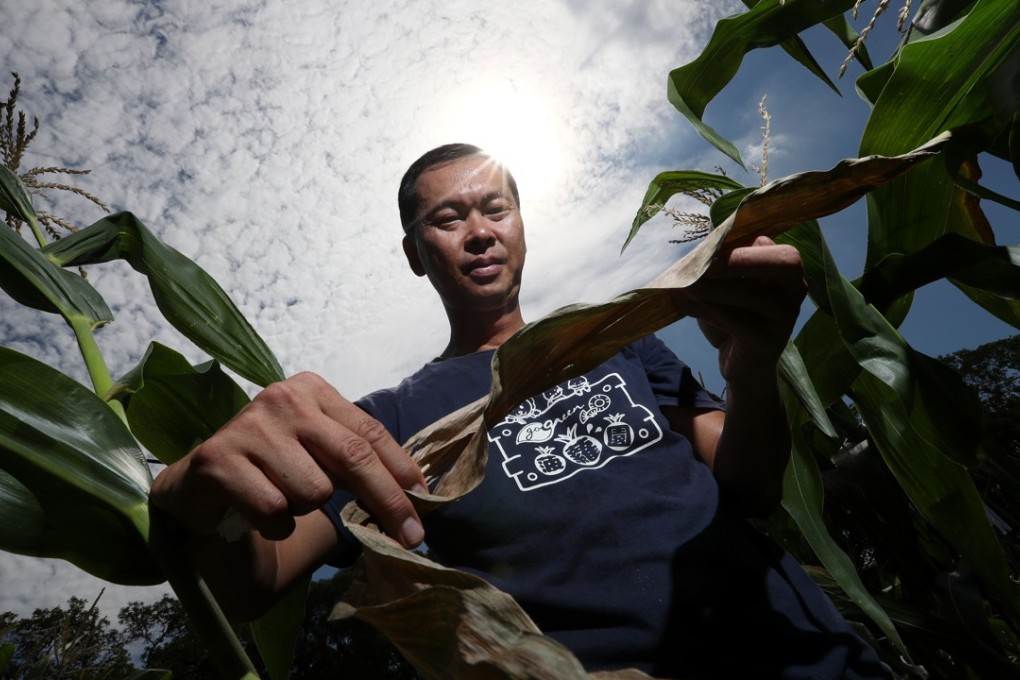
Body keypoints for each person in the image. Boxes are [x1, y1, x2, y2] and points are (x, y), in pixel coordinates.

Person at [151, 144, 891, 678]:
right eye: (447, 218)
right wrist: (201, 494)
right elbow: (256, 578)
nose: (478, 231)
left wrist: (752, 369)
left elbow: (751, 487)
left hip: (812, 656)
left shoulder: (623, 348)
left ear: (520, 226)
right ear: (414, 252)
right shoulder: (386, 417)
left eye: (493, 208)